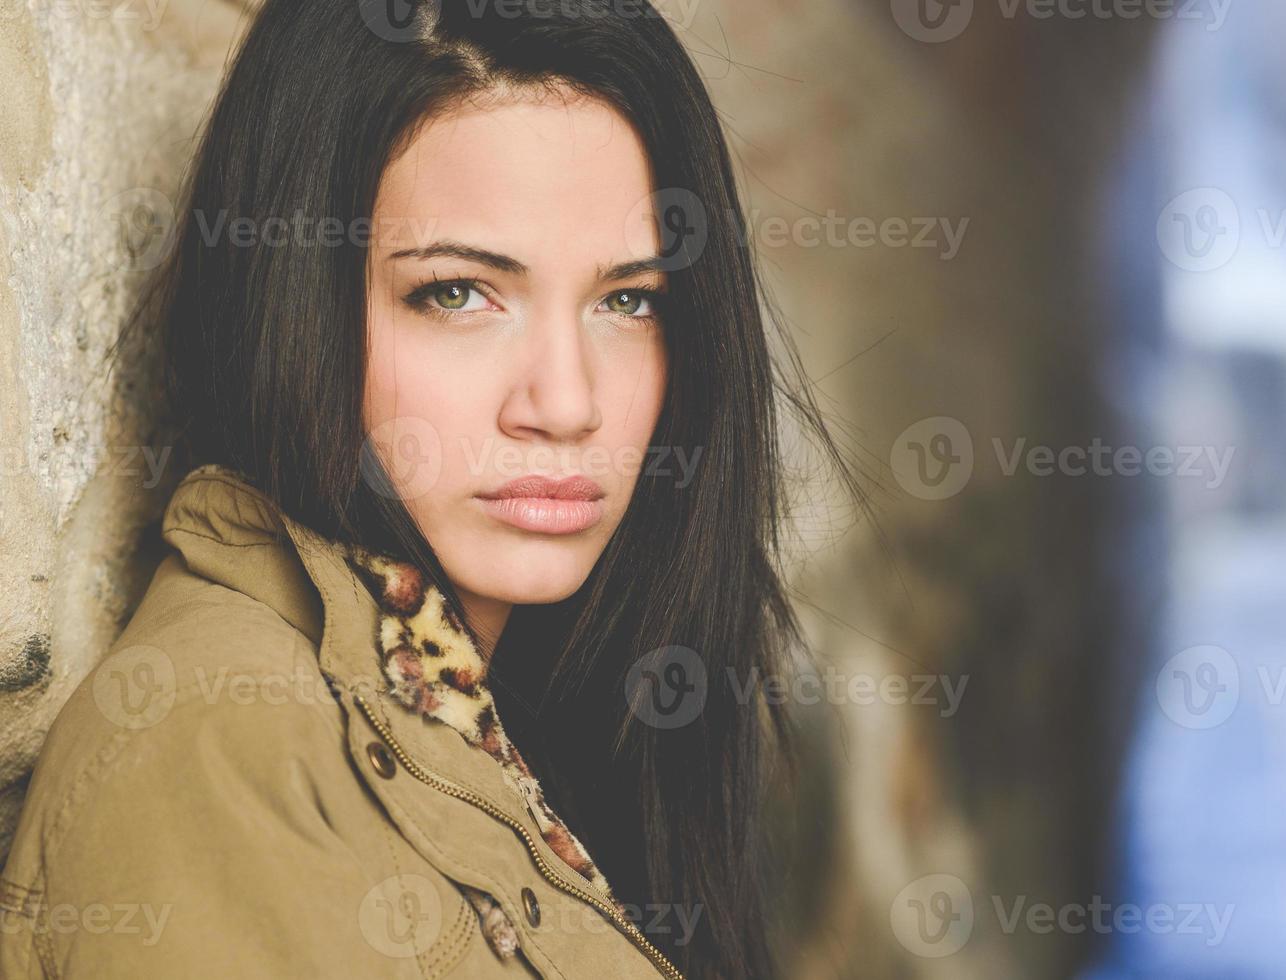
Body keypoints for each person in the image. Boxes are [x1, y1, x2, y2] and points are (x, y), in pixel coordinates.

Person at [0, 2, 851, 976]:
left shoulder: (533, 712)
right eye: (457, 292)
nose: (565, 403)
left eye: (627, 299)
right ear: (299, 307)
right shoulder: (222, 749)